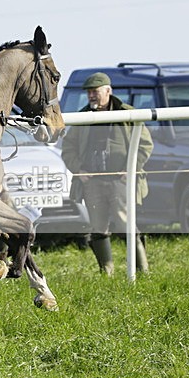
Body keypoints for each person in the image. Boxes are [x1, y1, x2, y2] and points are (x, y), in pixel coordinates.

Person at [61, 72, 154, 276]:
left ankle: (143, 271)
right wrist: (79, 170)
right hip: (92, 182)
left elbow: (145, 144)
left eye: (95, 92)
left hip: (121, 181)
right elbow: (67, 148)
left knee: (125, 224)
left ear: (108, 91)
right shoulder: (83, 116)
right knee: (98, 227)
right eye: (89, 93)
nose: (91, 96)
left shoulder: (128, 113)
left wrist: (130, 168)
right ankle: (107, 273)